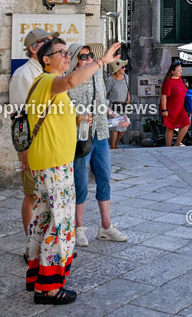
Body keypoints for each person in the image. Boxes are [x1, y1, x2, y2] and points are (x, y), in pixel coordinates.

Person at [23, 38, 122, 305]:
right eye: (62, 53)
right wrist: (101, 62)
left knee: (43, 220)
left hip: (50, 162)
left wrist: (76, 119)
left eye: (68, 52)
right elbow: (69, 82)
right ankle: (49, 287)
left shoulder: (47, 84)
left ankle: (36, 276)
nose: (67, 56)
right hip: (54, 164)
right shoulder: (48, 81)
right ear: (46, 59)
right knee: (60, 223)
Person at [67, 44, 130, 247]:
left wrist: (116, 116)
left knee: (104, 177)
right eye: (83, 56)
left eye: (90, 55)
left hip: (100, 134)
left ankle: (106, 226)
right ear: (76, 59)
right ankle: (78, 228)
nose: (87, 59)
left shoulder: (96, 76)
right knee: (81, 182)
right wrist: (77, 116)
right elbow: (62, 108)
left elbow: (102, 103)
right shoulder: (69, 80)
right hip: (80, 137)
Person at [8, 28, 53, 246]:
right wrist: (24, 152)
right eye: (47, 41)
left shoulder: (49, 73)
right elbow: (18, 119)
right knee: (32, 195)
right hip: (33, 146)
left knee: (47, 196)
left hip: (50, 146)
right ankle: (31, 245)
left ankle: (47, 243)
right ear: (35, 49)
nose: (52, 44)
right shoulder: (23, 75)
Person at [160, 59, 191, 146]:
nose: (181, 72)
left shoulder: (180, 80)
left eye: (181, 70)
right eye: (178, 70)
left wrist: (186, 87)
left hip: (180, 108)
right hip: (171, 108)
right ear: (173, 72)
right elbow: (163, 96)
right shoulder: (168, 82)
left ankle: (177, 144)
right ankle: (168, 146)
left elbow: (182, 92)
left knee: (186, 124)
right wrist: (164, 110)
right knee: (170, 127)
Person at [105, 60, 130, 149]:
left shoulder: (126, 77)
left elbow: (127, 88)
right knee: (115, 128)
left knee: (123, 128)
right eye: (122, 67)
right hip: (113, 106)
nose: (124, 69)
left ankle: (117, 143)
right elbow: (105, 93)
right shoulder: (110, 80)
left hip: (123, 106)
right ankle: (113, 146)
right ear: (117, 69)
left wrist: (128, 97)